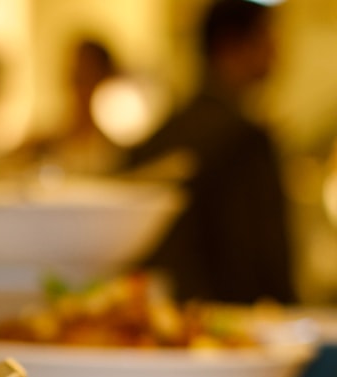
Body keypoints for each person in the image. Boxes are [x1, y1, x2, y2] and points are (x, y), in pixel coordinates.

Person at [123, 0, 297, 304]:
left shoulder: (161, 136)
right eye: (267, 38)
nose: (277, 52)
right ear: (231, 45)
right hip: (237, 327)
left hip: (164, 320)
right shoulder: (246, 141)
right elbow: (265, 255)